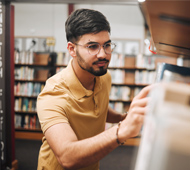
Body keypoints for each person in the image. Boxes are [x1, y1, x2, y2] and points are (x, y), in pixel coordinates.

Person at [37, 8, 152, 170]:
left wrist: (124, 117)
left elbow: (98, 108)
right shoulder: (52, 95)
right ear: (72, 49)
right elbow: (67, 156)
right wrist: (121, 131)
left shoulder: (104, 76)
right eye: (92, 46)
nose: (103, 54)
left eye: (107, 45)